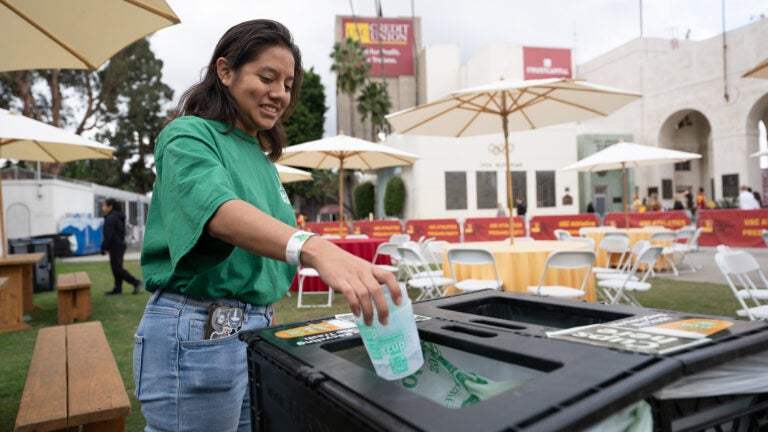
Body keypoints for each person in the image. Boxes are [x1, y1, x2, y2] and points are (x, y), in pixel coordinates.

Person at [132, 20, 400, 432]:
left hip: (259, 333)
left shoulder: (262, 158)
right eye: (267, 77)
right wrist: (315, 247)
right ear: (225, 71)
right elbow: (218, 212)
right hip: (198, 331)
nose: (280, 93)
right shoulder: (187, 135)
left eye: (289, 84)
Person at [100, 198, 142, 295]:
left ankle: (136, 282)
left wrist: (103, 247)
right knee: (117, 268)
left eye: (104, 205)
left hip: (115, 246)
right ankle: (117, 289)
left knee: (117, 269)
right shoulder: (118, 216)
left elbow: (108, 235)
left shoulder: (111, 218)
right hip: (120, 245)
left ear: (110, 207)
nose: (102, 207)